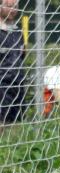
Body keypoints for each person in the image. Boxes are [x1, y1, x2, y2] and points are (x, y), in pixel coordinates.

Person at [0, 0, 26, 130]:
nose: (13, 9)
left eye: (15, 6)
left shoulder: (18, 32)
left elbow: (22, 55)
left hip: (18, 85)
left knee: (16, 128)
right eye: (9, 6)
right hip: (2, 85)